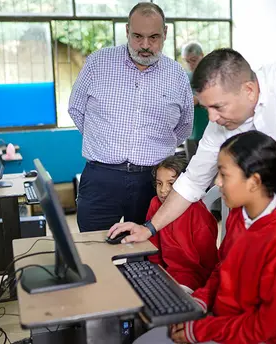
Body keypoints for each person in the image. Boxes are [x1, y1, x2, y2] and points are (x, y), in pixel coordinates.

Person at [109, 49, 276, 344]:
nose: (212, 118)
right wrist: (150, 228)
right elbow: (192, 182)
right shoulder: (227, 143)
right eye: (207, 109)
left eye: (217, 107)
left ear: (248, 90)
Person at [134, 131, 276, 344]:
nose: (218, 183)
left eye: (224, 174)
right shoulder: (239, 216)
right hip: (222, 321)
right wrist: (200, 301)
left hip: (250, 336)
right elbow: (222, 270)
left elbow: (266, 326)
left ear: (254, 182)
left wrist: (200, 331)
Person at [68, 2, 193, 232]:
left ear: (165, 33)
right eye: (137, 36)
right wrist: (102, 140)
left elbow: (184, 125)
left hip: (153, 180)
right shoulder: (98, 63)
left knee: (149, 253)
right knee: (95, 249)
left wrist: (154, 147)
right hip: (100, 178)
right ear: (127, 31)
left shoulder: (177, 76)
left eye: (154, 37)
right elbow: (76, 108)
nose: (145, 45)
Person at [147, 155, 218, 293]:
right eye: (159, 183)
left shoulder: (197, 212)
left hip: (193, 277)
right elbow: (152, 246)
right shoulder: (155, 204)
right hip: (164, 272)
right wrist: (154, 273)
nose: (163, 190)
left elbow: (208, 261)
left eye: (171, 184)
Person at [181, 42, 209, 160]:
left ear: (202, 56)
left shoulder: (210, 75)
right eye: (187, 61)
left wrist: (199, 99)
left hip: (208, 130)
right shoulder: (185, 77)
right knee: (191, 165)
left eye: (193, 60)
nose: (190, 64)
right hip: (191, 131)